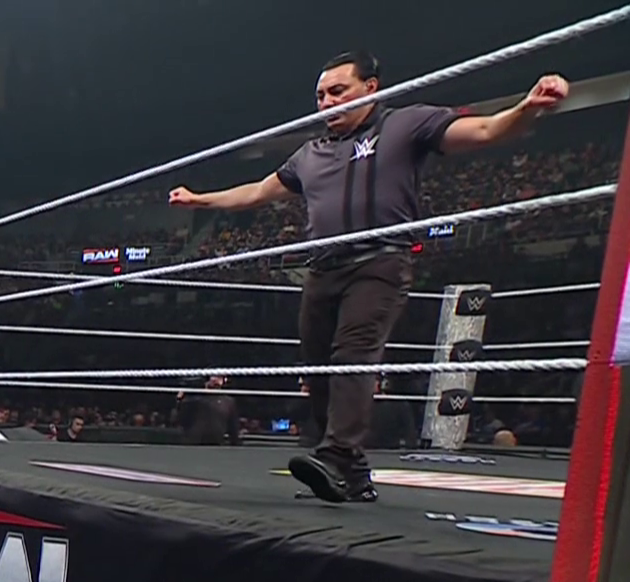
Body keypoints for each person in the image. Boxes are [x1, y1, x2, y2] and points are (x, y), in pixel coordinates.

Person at [169, 52, 568, 503]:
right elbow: (259, 192)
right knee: (317, 366)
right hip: (323, 269)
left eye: (338, 91)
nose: (326, 102)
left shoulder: (404, 125)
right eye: (321, 95)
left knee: (352, 355)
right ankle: (353, 474)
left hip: (379, 263)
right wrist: (200, 200)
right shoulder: (310, 153)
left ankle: (336, 456)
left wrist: (528, 106)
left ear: (371, 88)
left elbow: (484, 130)